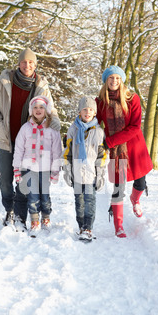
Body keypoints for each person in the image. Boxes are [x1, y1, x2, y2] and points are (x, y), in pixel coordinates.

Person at [0, 48, 60, 228]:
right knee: (5, 178)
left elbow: (51, 110)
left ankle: (19, 214)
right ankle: (8, 209)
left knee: (23, 180)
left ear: (35, 65)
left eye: (31, 62)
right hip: (7, 138)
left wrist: (55, 122)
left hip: (29, 142)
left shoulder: (41, 86)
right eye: (24, 62)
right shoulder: (4, 80)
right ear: (19, 64)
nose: (28, 65)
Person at [96, 65, 153, 238]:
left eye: (117, 78)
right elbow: (96, 124)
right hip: (116, 152)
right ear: (106, 81)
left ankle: (135, 199)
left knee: (140, 183)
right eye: (111, 78)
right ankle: (118, 226)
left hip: (134, 148)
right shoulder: (100, 101)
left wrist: (110, 141)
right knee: (118, 187)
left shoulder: (132, 99)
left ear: (122, 81)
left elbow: (135, 127)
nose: (114, 81)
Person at [12, 96, 62, 237]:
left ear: (46, 110)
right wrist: (17, 169)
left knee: (45, 197)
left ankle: (46, 218)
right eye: (35, 107)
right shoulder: (25, 128)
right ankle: (35, 221)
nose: (38, 110)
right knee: (33, 197)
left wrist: (55, 170)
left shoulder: (52, 129)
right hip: (29, 169)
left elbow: (57, 151)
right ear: (31, 110)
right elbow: (19, 149)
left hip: (46, 169)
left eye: (41, 107)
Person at [63, 96, 107, 242]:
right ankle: (81, 226)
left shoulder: (99, 132)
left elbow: (101, 156)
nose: (87, 112)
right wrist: (67, 170)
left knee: (90, 201)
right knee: (79, 201)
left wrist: (100, 174)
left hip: (91, 174)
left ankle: (88, 227)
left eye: (90, 110)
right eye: (84, 109)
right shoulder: (73, 130)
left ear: (94, 113)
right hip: (76, 173)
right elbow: (67, 152)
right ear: (79, 111)